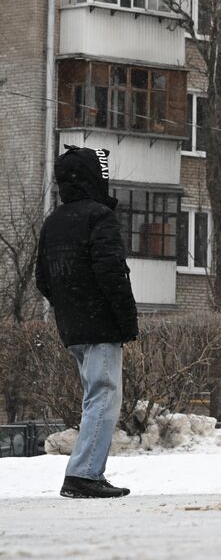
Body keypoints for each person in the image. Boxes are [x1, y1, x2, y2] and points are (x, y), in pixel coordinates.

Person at [35, 146, 139, 499]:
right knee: (104, 397)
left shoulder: (54, 222)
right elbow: (112, 273)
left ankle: (85, 473)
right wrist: (127, 322)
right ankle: (83, 475)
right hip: (101, 326)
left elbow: (43, 280)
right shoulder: (98, 217)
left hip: (73, 327)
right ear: (96, 177)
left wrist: (70, 308)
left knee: (94, 397)